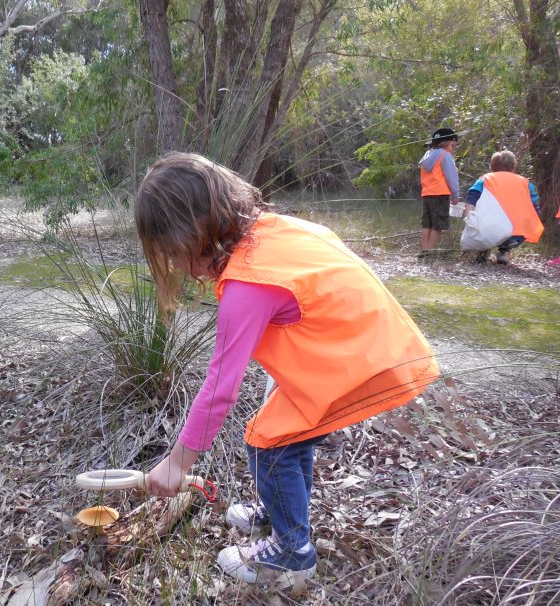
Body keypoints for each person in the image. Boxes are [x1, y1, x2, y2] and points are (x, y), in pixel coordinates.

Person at [135, 152, 440, 585]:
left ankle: (293, 550)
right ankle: (282, 511)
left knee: (268, 441)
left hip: (366, 364)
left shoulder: (247, 285)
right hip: (367, 348)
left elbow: (220, 388)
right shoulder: (271, 230)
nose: (177, 267)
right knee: (283, 428)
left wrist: (176, 464)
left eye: (172, 253)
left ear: (190, 237)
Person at [463, 150, 543, 265]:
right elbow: (535, 208)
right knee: (514, 224)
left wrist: (468, 219)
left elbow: (472, 198)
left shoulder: (485, 179)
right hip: (516, 233)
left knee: (486, 225)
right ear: (513, 167)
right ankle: (504, 251)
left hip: (488, 228)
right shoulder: (525, 183)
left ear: (492, 166)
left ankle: (483, 250)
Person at [419, 127, 461, 256]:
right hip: (440, 194)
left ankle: (425, 250)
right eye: (452, 145)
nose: (452, 149)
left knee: (427, 224)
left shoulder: (427, 155)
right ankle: (430, 253)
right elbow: (451, 177)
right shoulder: (445, 156)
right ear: (446, 143)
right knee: (438, 225)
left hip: (427, 194)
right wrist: (455, 195)